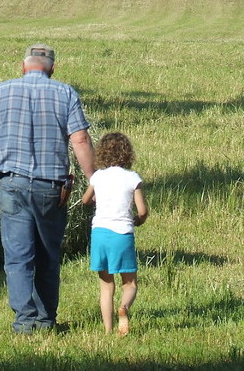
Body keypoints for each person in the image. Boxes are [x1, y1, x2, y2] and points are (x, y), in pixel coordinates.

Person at [0, 43, 95, 334]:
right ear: (52, 69)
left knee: (18, 256)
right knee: (47, 255)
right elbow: (79, 140)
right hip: (51, 187)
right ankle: (45, 321)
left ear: (23, 66)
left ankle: (24, 323)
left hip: (12, 184)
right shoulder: (65, 93)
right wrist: (95, 180)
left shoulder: (1, 91)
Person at [82, 132, 148, 336]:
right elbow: (142, 211)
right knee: (130, 283)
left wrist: (94, 198)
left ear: (101, 154)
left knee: (106, 285)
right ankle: (124, 308)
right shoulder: (132, 178)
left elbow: (85, 200)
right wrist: (139, 220)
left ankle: (108, 330)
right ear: (127, 154)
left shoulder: (98, 176)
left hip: (100, 233)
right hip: (122, 234)